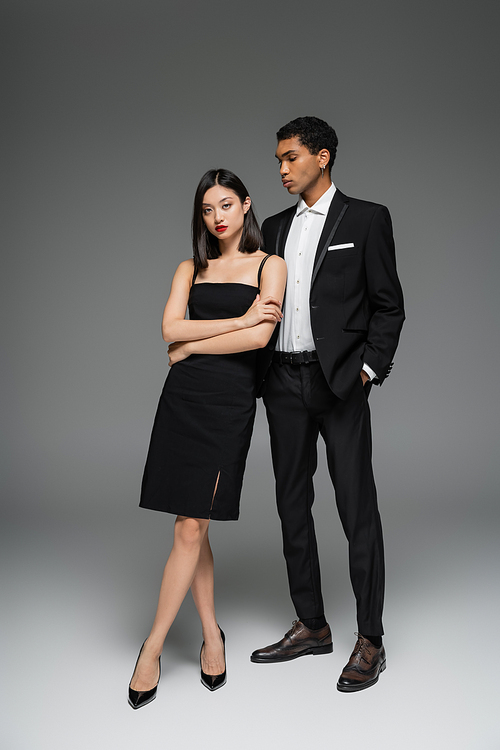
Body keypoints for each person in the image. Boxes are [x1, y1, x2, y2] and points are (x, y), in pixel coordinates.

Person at [251, 117, 405, 692]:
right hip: (282, 384)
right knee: (292, 505)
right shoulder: (272, 226)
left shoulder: (366, 219)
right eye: (277, 161)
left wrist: (368, 370)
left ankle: (371, 638)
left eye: (290, 157)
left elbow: (389, 305)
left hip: (339, 384)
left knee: (356, 508)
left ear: (323, 156)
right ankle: (312, 625)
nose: (282, 169)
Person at [129, 168, 286, 709]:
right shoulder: (189, 268)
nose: (216, 217)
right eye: (205, 209)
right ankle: (210, 634)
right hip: (183, 401)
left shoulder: (271, 265)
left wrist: (195, 344)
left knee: (193, 523)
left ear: (245, 205)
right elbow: (169, 329)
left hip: (229, 402)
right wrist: (228, 325)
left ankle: (151, 648)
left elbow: (259, 336)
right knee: (191, 523)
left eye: (225, 205)